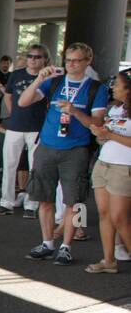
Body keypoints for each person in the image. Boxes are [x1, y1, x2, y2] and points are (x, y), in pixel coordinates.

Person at [18, 42, 109, 266]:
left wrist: (75, 111)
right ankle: (47, 242)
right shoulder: (55, 81)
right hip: (47, 146)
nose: (71, 64)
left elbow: (96, 124)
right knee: (44, 198)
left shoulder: (97, 88)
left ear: (88, 61)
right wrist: (39, 79)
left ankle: (67, 246)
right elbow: (22, 102)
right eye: (68, 60)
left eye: (77, 60)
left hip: (76, 150)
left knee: (75, 202)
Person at [0, 43, 50, 218]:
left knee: (36, 168)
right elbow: (8, 96)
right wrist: (13, 114)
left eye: (37, 56)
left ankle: (31, 204)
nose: (33, 60)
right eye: (30, 56)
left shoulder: (48, 78)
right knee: (9, 165)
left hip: (36, 127)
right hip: (15, 126)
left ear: (45, 60)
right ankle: (6, 202)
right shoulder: (16, 74)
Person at [85, 69, 131, 274]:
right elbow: (104, 137)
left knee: (120, 218)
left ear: (128, 90)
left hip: (124, 168)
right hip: (103, 164)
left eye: (117, 84)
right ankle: (108, 260)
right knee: (105, 214)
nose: (112, 87)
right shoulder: (115, 109)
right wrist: (100, 135)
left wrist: (109, 135)